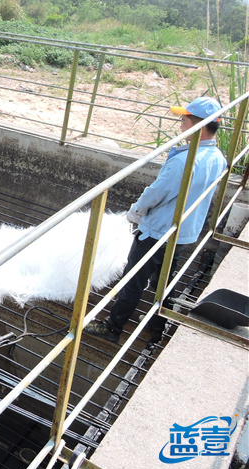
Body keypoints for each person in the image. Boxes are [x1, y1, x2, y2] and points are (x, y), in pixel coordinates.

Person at [86, 96, 227, 344]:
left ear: (199, 125)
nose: (181, 126)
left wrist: (136, 211)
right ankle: (157, 327)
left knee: (133, 280)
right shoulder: (218, 158)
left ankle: (113, 328)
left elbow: (157, 193)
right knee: (166, 281)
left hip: (157, 232)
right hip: (183, 232)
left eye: (184, 121)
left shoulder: (184, 161)